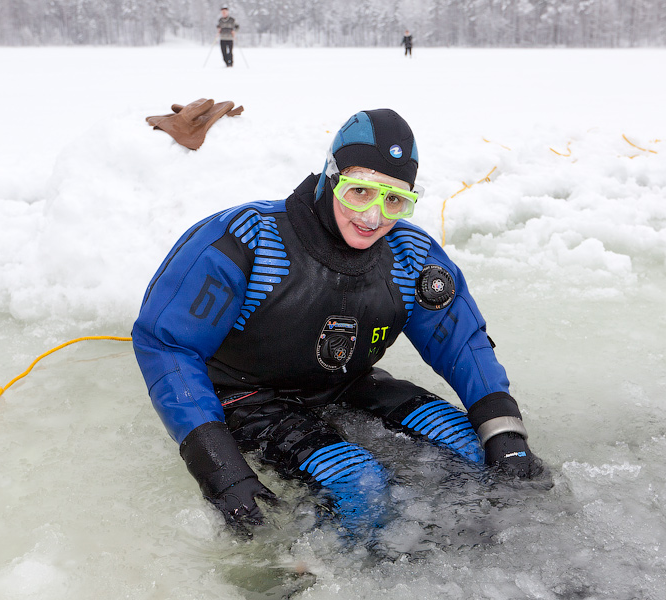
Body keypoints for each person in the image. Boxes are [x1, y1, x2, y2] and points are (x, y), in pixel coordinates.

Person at [132, 109, 546, 535]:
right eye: (360, 192)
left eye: (394, 200)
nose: (373, 217)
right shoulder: (246, 239)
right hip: (245, 397)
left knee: (482, 451)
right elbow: (167, 345)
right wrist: (219, 468)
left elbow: (461, 342)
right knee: (361, 485)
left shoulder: (410, 256)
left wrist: (504, 431)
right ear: (330, 177)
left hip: (349, 383)